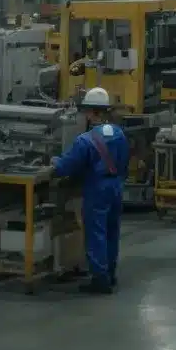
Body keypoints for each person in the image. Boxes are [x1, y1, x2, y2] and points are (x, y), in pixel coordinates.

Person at [54, 87, 129, 294]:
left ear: (90, 112)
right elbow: (124, 162)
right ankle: (110, 274)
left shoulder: (85, 140)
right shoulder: (119, 134)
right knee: (112, 231)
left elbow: (65, 166)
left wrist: (54, 162)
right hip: (116, 186)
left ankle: (100, 280)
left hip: (97, 189)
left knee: (96, 233)